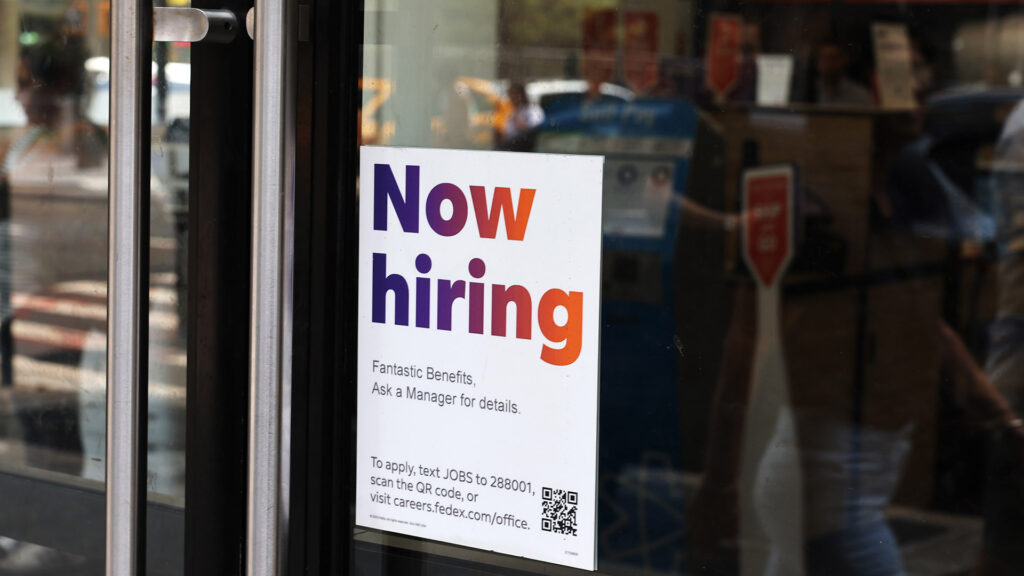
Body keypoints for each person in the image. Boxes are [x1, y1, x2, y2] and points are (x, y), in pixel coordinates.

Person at [812, 42, 874, 106]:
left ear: (843, 60)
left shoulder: (860, 95)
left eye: (834, 58)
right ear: (817, 62)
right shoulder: (809, 93)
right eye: (825, 58)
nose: (829, 63)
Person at [498, 82, 544, 152]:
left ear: (521, 95)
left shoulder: (533, 110)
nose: (511, 99)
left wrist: (517, 121)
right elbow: (506, 134)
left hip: (525, 149)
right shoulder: (512, 112)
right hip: (510, 148)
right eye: (510, 96)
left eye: (513, 96)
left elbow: (533, 130)